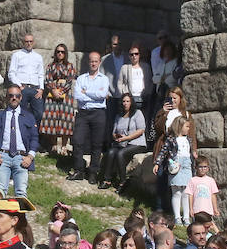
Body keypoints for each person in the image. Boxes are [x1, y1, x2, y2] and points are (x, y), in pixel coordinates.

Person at [0, 82, 39, 199]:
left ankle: (19, 217)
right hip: (2, 157)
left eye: (17, 96)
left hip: (22, 158)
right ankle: (0, 216)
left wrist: (30, 157)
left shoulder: (28, 116)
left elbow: (35, 138)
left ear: (21, 98)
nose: (14, 98)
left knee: (21, 192)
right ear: (6, 97)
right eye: (11, 95)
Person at [67, 51, 109, 181]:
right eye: (91, 61)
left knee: (96, 144)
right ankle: (79, 170)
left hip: (98, 113)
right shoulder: (81, 78)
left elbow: (103, 96)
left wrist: (87, 92)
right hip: (83, 113)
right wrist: (94, 95)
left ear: (99, 62)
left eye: (96, 61)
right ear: (88, 62)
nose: (93, 63)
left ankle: (93, 172)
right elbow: (78, 96)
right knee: (78, 141)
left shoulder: (104, 79)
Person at [100, 93, 147, 190]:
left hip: (137, 143)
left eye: (127, 101)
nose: (125, 103)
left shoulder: (137, 113)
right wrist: (116, 136)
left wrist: (127, 137)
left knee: (120, 154)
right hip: (122, 142)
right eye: (124, 101)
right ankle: (107, 180)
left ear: (131, 102)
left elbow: (141, 130)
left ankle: (123, 182)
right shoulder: (119, 116)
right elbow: (114, 132)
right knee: (111, 152)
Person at [39, 44, 74, 157]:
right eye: (58, 51)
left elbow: (69, 80)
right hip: (52, 94)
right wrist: (54, 90)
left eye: (62, 52)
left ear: (65, 53)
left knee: (65, 119)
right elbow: (48, 79)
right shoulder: (50, 66)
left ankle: (64, 146)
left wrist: (61, 91)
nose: (60, 54)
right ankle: (53, 145)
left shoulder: (70, 66)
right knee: (52, 119)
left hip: (65, 95)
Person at [6, 33, 44, 123]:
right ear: (23, 42)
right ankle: (23, 134)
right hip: (22, 88)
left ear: (33, 42)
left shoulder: (38, 57)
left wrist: (41, 89)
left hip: (35, 89)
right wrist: (20, 86)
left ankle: (34, 134)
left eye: (31, 41)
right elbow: (11, 73)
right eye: (27, 41)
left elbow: (41, 74)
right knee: (22, 113)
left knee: (39, 113)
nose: (29, 43)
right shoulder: (17, 55)